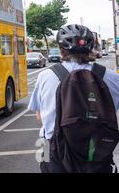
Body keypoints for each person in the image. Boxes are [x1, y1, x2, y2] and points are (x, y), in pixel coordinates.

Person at [28, 24, 119, 173]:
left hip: (54, 150)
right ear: (90, 48)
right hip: (96, 150)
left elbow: (40, 117)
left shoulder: (46, 76)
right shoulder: (112, 78)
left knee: (44, 158)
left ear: (61, 49)